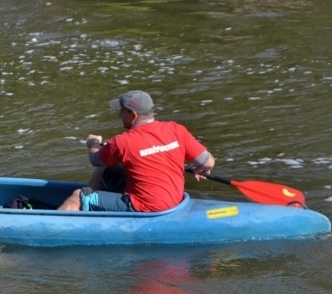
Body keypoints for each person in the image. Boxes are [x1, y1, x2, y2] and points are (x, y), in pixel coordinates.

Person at [58, 90, 215, 212]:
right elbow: (208, 162)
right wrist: (200, 169)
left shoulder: (123, 141)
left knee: (77, 196)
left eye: (122, 111)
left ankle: (74, 213)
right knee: (107, 167)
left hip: (145, 207)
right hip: (175, 202)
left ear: (133, 115)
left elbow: (95, 159)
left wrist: (93, 143)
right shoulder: (176, 130)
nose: (119, 114)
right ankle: (93, 206)